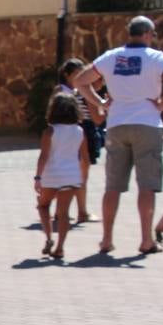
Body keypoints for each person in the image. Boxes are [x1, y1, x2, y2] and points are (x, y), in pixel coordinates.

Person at [71, 15, 163, 254]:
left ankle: (106, 240)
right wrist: (162, 104)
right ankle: (146, 240)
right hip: (148, 124)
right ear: (147, 34)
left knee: (113, 186)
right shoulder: (155, 57)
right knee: (147, 186)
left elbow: (81, 80)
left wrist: (101, 103)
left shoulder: (112, 57)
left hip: (117, 123)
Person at [33, 93, 87, 261]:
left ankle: (49, 237)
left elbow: (44, 156)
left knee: (43, 206)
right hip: (71, 175)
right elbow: (84, 157)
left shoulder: (50, 131)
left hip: (52, 174)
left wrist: (38, 177)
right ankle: (60, 248)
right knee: (63, 214)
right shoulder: (80, 131)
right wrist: (82, 177)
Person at [57, 58, 107, 222]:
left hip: (63, 134)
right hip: (83, 133)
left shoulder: (60, 92)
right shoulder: (84, 93)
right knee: (81, 174)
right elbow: (97, 119)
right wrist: (106, 106)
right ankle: (82, 212)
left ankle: (61, 211)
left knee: (66, 172)